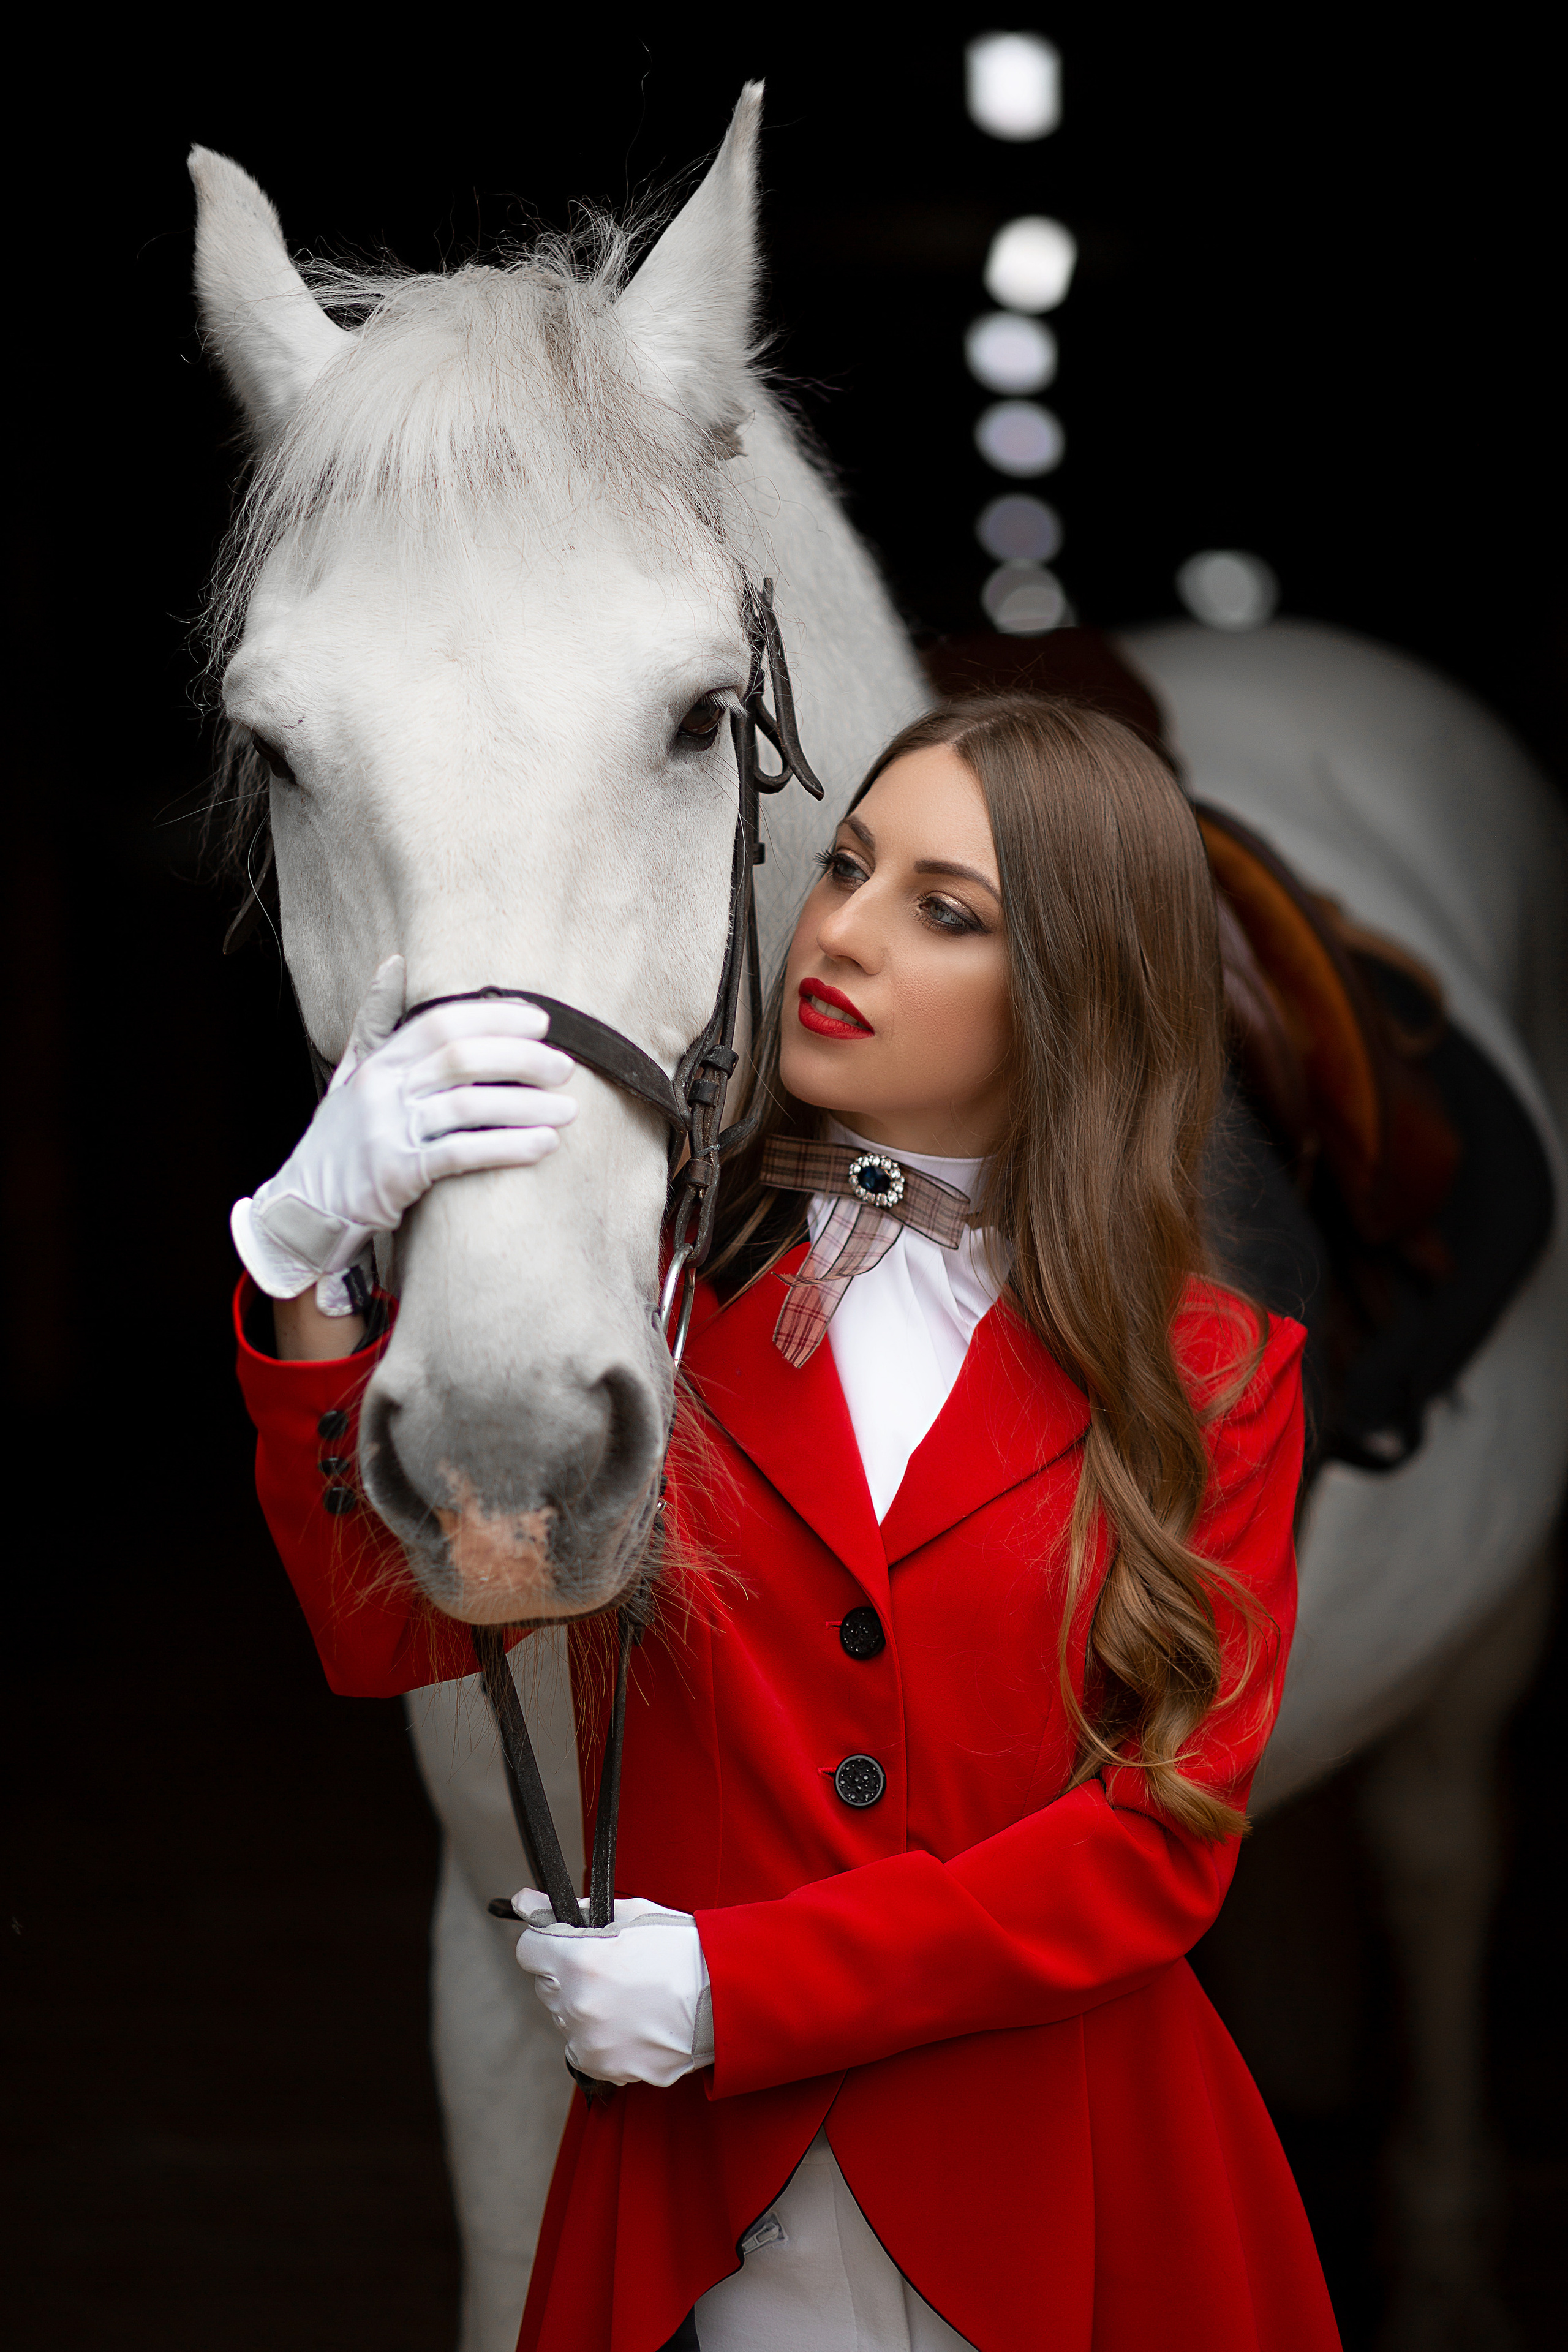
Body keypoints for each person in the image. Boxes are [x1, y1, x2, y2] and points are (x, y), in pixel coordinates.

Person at [232, 696, 1341, 2352]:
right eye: (847, 865)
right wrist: (303, 1254)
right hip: (713, 2203)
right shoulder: (650, 1320)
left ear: (1074, 996)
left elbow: (1159, 1847)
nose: (843, 931)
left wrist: (733, 1990)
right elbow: (389, 1623)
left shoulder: (1217, 1377)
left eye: (944, 911)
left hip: (1085, 2188)